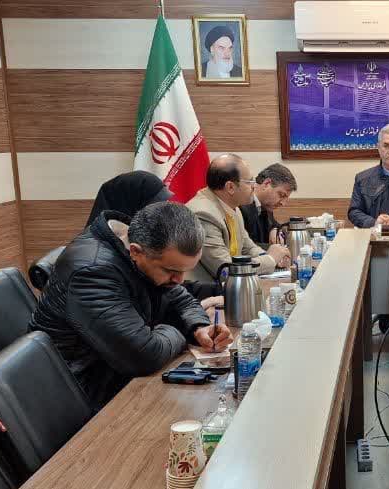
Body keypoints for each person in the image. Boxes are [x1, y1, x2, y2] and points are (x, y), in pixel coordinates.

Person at [31, 202, 233, 408]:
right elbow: (145, 355)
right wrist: (178, 330)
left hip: (116, 375)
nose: (180, 280)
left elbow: (181, 299)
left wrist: (199, 328)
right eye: (172, 271)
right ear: (136, 251)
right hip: (81, 396)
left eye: (184, 271)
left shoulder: (143, 250)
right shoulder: (92, 272)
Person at [84, 171, 223, 309]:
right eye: (156, 205)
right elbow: (136, 315)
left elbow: (172, 290)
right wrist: (201, 307)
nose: (162, 213)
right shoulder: (98, 265)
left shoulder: (130, 242)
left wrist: (222, 289)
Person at [186, 154, 292, 281]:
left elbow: (248, 248)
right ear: (230, 187)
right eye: (249, 182)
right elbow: (226, 269)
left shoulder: (233, 208)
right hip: (207, 289)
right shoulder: (203, 214)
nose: (254, 186)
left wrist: (275, 257)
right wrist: (270, 259)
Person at [240, 163, 297, 247]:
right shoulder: (242, 205)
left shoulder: (266, 205)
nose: (283, 203)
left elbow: (274, 224)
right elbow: (245, 248)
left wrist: (274, 229)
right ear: (266, 183)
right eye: (281, 195)